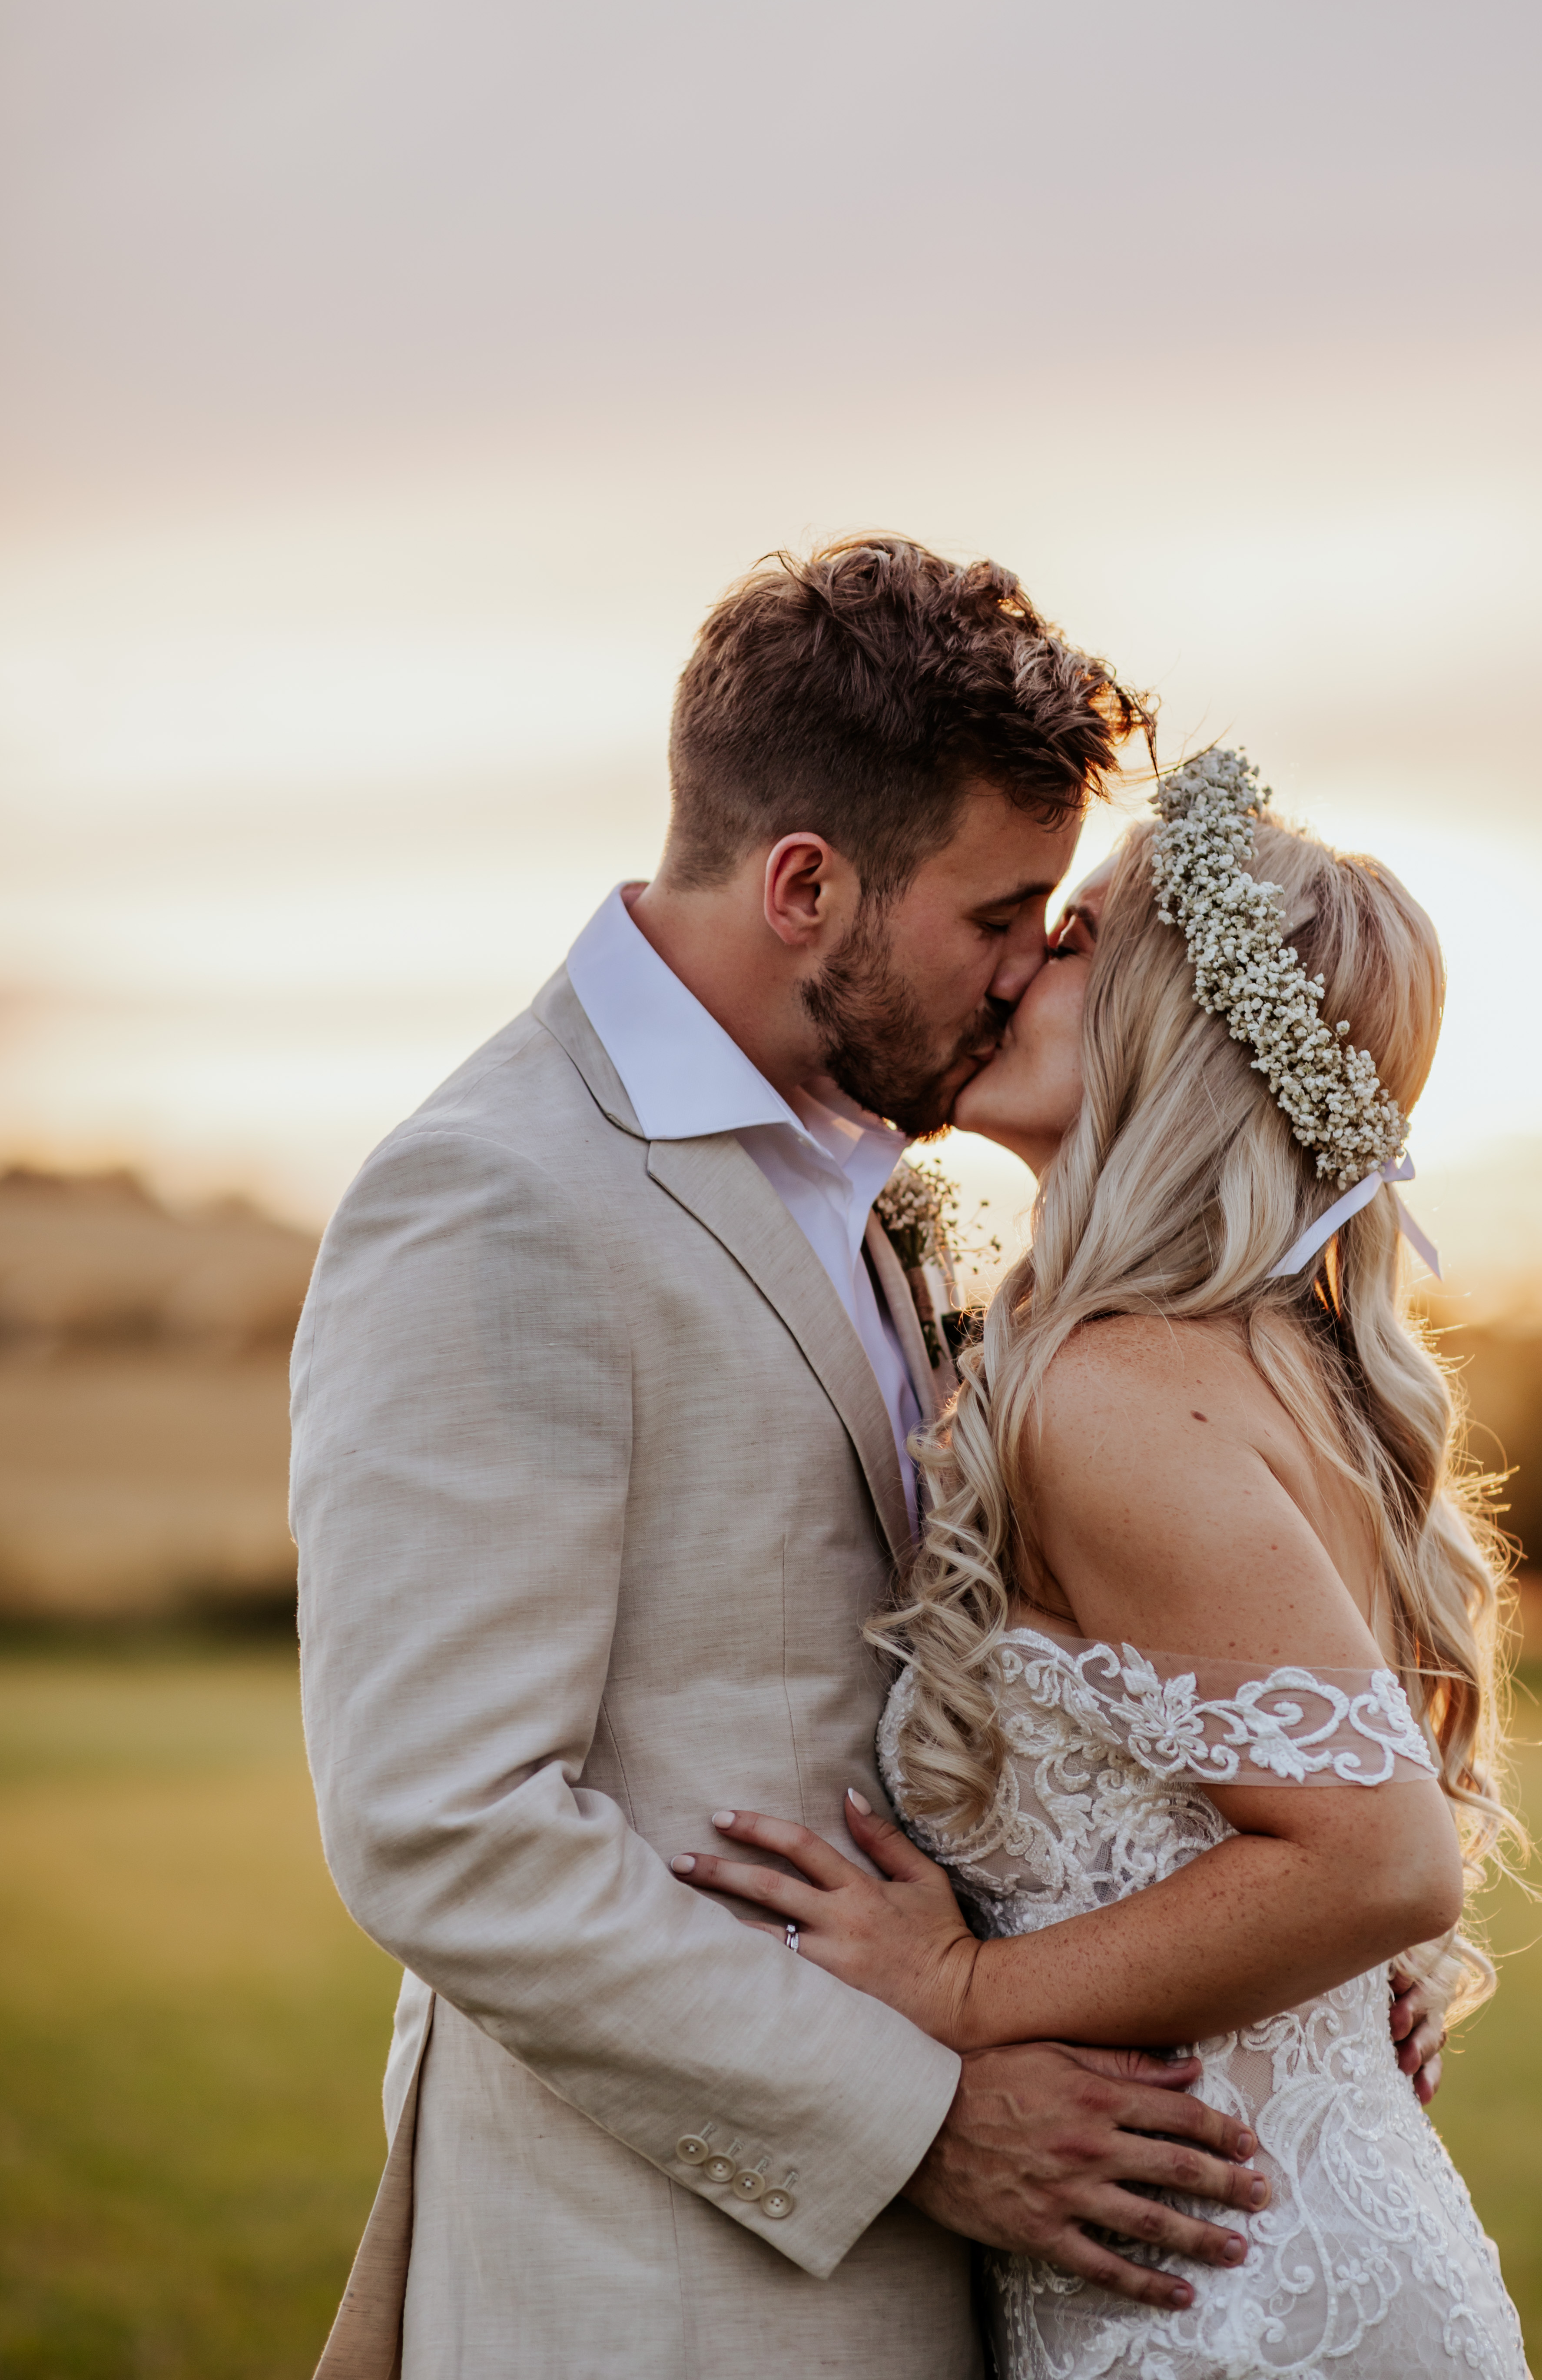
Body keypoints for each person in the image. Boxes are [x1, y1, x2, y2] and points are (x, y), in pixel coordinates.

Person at [294, 547, 1338, 2380]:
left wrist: (1317, 1972)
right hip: (663, 2284)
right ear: (804, 887)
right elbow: (443, 1826)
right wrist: (917, 2116)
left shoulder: (880, 1175)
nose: (1035, 971)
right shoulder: (497, 1197)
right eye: (1002, 914)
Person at [670, 749, 1530, 2377]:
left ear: (1167, 1027)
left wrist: (966, 1993)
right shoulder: (1280, 1362)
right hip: (1277, 2241)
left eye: (1072, 943)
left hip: (1229, 2295)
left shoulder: (1112, 1387)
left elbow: (1380, 1863)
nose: (1019, 967)